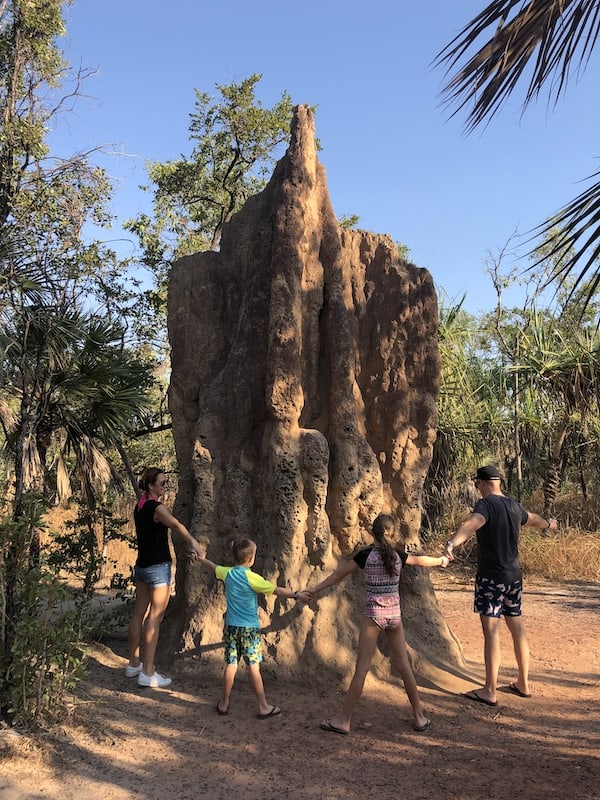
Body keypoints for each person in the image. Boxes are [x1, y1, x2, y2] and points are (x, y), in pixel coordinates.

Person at [308, 513, 449, 735]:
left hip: (373, 616)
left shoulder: (365, 556)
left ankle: (343, 720)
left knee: (362, 668)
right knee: (404, 666)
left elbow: (338, 575)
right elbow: (421, 561)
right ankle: (419, 717)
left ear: (372, 533)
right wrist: (441, 561)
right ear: (393, 533)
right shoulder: (397, 556)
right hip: (394, 617)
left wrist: (315, 589)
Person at [443, 464, 558, 706]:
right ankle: (523, 683)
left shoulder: (486, 505)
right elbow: (533, 519)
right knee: (517, 628)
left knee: (491, 632)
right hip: (514, 577)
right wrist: (550, 524)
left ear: (482, 483)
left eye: (478, 484)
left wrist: (453, 543)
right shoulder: (514, 505)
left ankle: (489, 690)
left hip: (491, 578)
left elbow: (473, 523)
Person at [197, 538, 311, 718]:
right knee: (253, 667)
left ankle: (224, 704)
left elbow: (213, 566)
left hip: (231, 627)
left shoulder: (227, 573)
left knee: (230, 665)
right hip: (249, 629)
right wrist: (297, 595)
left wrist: (202, 559)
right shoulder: (253, 578)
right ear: (251, 559)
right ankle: (263, 706)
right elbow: (277, 591)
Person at [126, 467, 205, 688]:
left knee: (139, 613)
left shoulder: (140, 505)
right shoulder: (155, 507)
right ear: (151, 486)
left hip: (142, 566)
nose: (165, 486)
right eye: (162, 483)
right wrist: (194, 543)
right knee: (155, 617)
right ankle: (148, 672)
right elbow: (176, 524)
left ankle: (133, 664)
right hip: (158, 568)